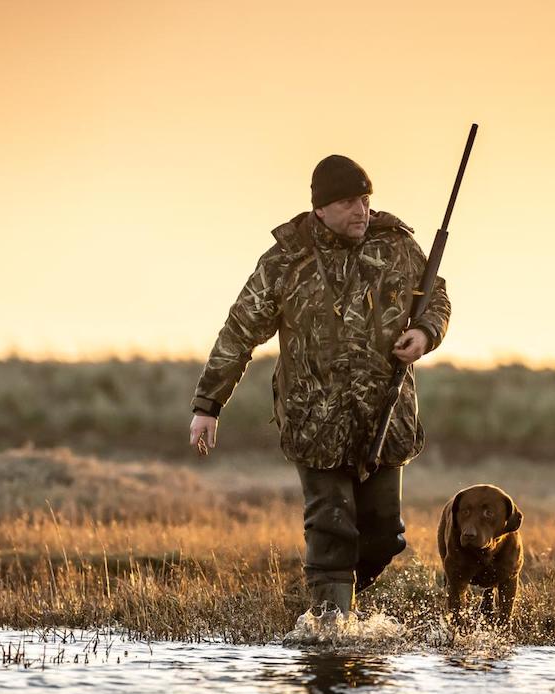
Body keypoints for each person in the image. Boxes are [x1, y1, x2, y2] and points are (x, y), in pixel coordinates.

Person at [188, 154, 451, 617]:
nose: (361, 211)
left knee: (384, 534)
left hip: (384, 416)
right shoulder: (286, 260)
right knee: (330, 530)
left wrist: (426, 332)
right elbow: (239, 331)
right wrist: (209, 405)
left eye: (366, 200)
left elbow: (437, 296)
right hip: (315, 420)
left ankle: (332, 609)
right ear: (321, 208)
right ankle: (329, 631)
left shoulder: (398, 247)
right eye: (349, 201)